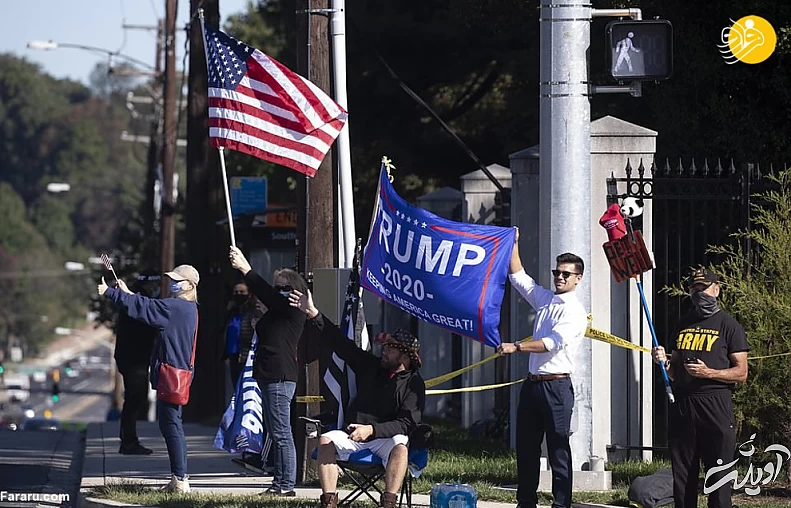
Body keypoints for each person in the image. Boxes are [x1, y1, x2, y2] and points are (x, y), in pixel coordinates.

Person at [288, 288, 425, 508]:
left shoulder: (414, 383)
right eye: (386, 347)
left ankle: (388, 502)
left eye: (390, 349)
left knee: (401, 446)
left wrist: (371, 430)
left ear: (405, 356)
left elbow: (407, 423)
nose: (384, 352)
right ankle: (329, 501)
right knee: (326, 440)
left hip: (385, 439)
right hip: (355, 434)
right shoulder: (370, 366)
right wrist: (314, 313)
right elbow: (342, 345)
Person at [496, 229, 588, 508]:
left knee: (558, 448)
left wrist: (517, 347)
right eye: (557, 272)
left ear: (577, 279)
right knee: (526, 449)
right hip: (533, 384)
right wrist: (513, 244)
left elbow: (552, 343)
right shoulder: (547, 299)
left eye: (566, 274)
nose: (559, 277)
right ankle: (526, 502)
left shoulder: (574, 311)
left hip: (556, 386)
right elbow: (519, 278)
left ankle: (561, 504)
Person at [652, 267, 749, 508]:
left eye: (703, 288)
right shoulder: (683, 324)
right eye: (694, 289)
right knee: (683, 474)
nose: (699, 294)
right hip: (684, 404)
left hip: (714, 402)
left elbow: (741, 373)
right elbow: (674, 371)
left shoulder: (729, 326)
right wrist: (663, 362)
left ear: (716, 289)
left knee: (718, 473)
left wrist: (709, 373)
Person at [98, 264, 200, 493]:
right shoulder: (186, 307)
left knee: (171, 426)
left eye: (177, 280)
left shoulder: (175, 307)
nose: (172, 283)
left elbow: (147, 308)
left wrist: (111, 292)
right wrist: (127, 294)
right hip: (178, 372)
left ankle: (180, 479)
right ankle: (179, 477)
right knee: (173, 424)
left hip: (172, 374)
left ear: (190, 285)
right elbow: (148, 306)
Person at [229, 246, 307, 497]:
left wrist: (245, 269)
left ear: (294, 289)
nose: (277, 291)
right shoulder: (276, 311)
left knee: (282, 433)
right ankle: (279, 482)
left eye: (283, 286)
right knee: (276, 432)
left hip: (280, 376)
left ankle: (286, 485)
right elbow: (268, 326)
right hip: (270, 375)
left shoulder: (294, 306)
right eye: (276, 286)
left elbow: (269, 297)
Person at [115, 272, 160, 455]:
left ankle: (128, 439)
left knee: (135, 399)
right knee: (135, 398)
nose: (155, 288)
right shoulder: (138, 302)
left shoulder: (135, 300)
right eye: (152, 284)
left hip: (133, 357)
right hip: (133, 358)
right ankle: (129, 441)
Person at [222, 281, 264, 390]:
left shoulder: (253, 311)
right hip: (233, 356)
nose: (238, 294)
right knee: (236, 387)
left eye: (242, 292)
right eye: (236, 292)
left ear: (249, 294)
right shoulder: (233, 312)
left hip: (247, 356)